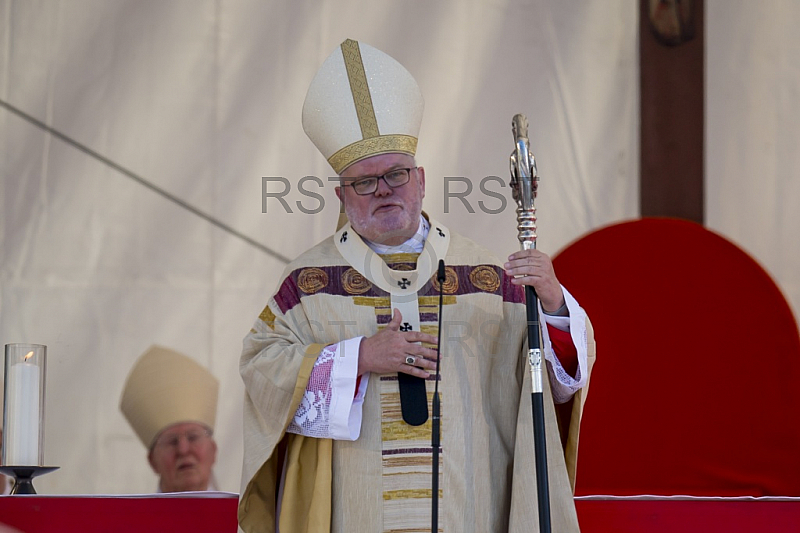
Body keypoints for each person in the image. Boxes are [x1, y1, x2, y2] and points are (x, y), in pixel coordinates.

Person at [238, 39, 596, 532]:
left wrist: (554, 304)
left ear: (421, 180)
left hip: (471, 508)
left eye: (396, 174)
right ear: (342, 195)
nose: (383, 189)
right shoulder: (308, 284)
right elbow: (261, 369)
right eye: (364, 181)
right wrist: (360, 357)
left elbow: (551, 388)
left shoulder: (489, 279)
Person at [120, 345, 219, 493]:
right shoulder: (133, 516)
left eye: (193, 437)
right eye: (171, 441)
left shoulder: (242, 514)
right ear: (152, 461)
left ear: (213, 450)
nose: (183, 450)